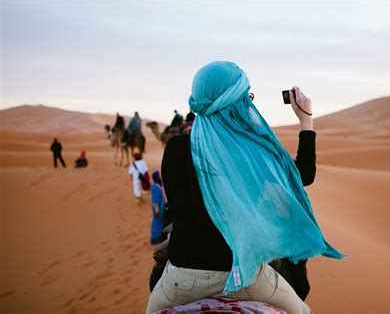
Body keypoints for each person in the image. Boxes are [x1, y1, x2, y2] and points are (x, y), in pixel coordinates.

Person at [146, 61, 344, 313]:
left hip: (181, 279)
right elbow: (303, 175)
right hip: (244, 279)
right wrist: (306, 122)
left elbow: (173, 207)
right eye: (246, 96)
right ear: (237, 101)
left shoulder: (174, 147)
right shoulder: (255, 150)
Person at [150, 171, 167, 245]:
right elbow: (155, 200)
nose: (160, 177)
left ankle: (159, 237)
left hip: (161, 208)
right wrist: (156, 210)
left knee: (160, 222)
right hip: (158, 209)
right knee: (157, 222)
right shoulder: (155, 187)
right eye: (159, 176)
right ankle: (155, 238)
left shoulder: (159, 185)